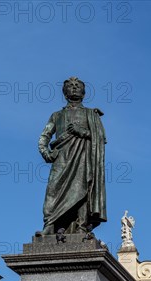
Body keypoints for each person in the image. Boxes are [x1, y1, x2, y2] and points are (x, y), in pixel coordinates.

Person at [37, 77, 107, 235]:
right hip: (61, 159)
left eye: (77, 86)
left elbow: (100, 138)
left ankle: (81, 225)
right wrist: (46, 153)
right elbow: (44, 137)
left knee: (82, 190)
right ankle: (50, 224)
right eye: (70, 86)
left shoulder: (91, 114)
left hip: (83, 157)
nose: (74, 88)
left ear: (83, 92)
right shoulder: (57, 116)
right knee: (52, 190)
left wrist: (80, 131)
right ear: (64, 92)